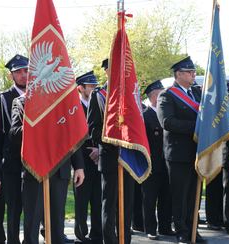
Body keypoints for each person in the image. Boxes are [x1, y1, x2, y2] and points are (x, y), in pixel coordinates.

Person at [8, 93, 85, 244]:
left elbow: (73, 133)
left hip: (60, 168)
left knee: (57, 224)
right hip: (34, 170)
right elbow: (14, 134)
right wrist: (37, 124)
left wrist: (79, 166)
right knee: (32, 223)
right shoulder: (21, 101)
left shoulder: (62, 100)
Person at [156, 56, 205, 244]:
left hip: (197, 151)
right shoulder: (167, 95)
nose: (193, 75)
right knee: (180, 195)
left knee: (195, 194)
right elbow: (167, 122)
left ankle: (193, 229)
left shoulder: (198, 94)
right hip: (178, 154)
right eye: (189, 72)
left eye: (193, 72)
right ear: (178, 74)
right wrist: (196, 127)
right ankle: (182, 231)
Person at [87, 59, 134, 244]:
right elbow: (93, 129)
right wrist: (115, 139)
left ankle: (125, 239)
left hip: (129, 156)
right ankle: (110, 240)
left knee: (127, 205)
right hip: (110, 156)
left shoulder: (130, 93)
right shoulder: (98, 95)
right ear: (107, 71)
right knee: (110, 204)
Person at [0, 54, 28, 244]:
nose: (23, 75)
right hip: (11, 166)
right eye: (18, 72)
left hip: (34, 165)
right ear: (10, 76)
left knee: (33, 210)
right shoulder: (3, 98)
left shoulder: (40, 98)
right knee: (13, 211)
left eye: (27, 71)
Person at [141, 80, 174, 240]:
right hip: (151, 164)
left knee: (166, 197)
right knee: (150, 199)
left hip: (168, 162)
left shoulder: (166, 112)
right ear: (153, 96)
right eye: (161, 93)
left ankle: (166, 227)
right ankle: (151, 229)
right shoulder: (145, 115)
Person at [74, 71, 102, 243]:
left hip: (99, 156)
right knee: (81, 200)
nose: (93, 88)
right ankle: (81, 234)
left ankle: (97, 233)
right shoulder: (74, 107)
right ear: (80, 88)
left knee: (98, 198)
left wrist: (99, 148)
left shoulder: (99, 103)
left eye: (94, 85)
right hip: (82, 159)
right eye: (90, 86)